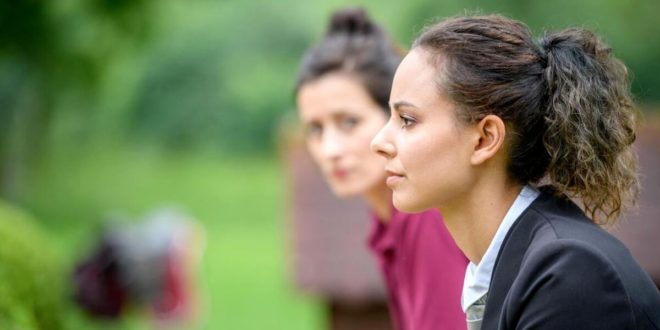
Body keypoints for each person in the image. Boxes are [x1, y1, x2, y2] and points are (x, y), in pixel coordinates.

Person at [371, 14, 660, 329]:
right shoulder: (508, 268)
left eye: (407, 120)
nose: (378, 142)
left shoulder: (567, 273)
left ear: (485, 139)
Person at [295, 8, 468, 330]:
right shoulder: (388, 217)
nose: (330, 150)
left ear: (395, 117)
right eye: (315, 129)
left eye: (349, 122)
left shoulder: (424, 216)